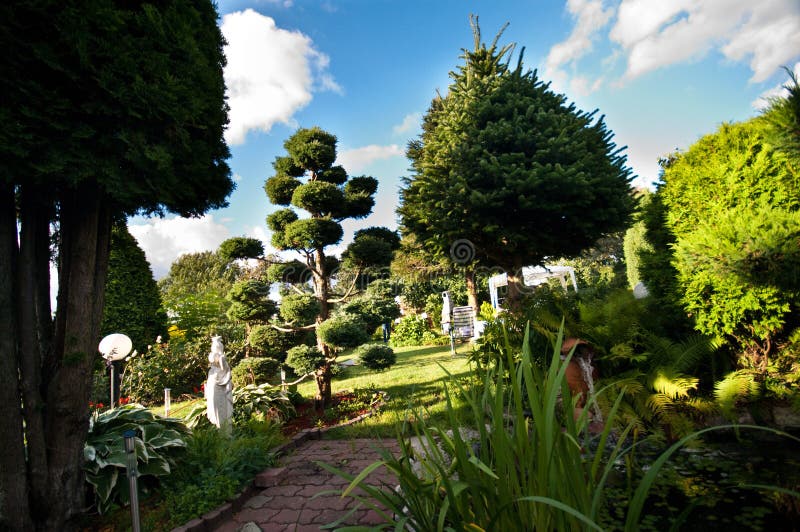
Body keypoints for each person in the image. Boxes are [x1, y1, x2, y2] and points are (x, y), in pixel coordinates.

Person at [205, 335, 233, 430]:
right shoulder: (217, 356)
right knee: (218, 408)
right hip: (216, 384)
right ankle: (221, 429)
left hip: (216, 383)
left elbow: (222, 367)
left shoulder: (216, 356)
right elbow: (223, 367)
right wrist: (222, 357)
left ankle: (222, 430)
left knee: (219, 408)